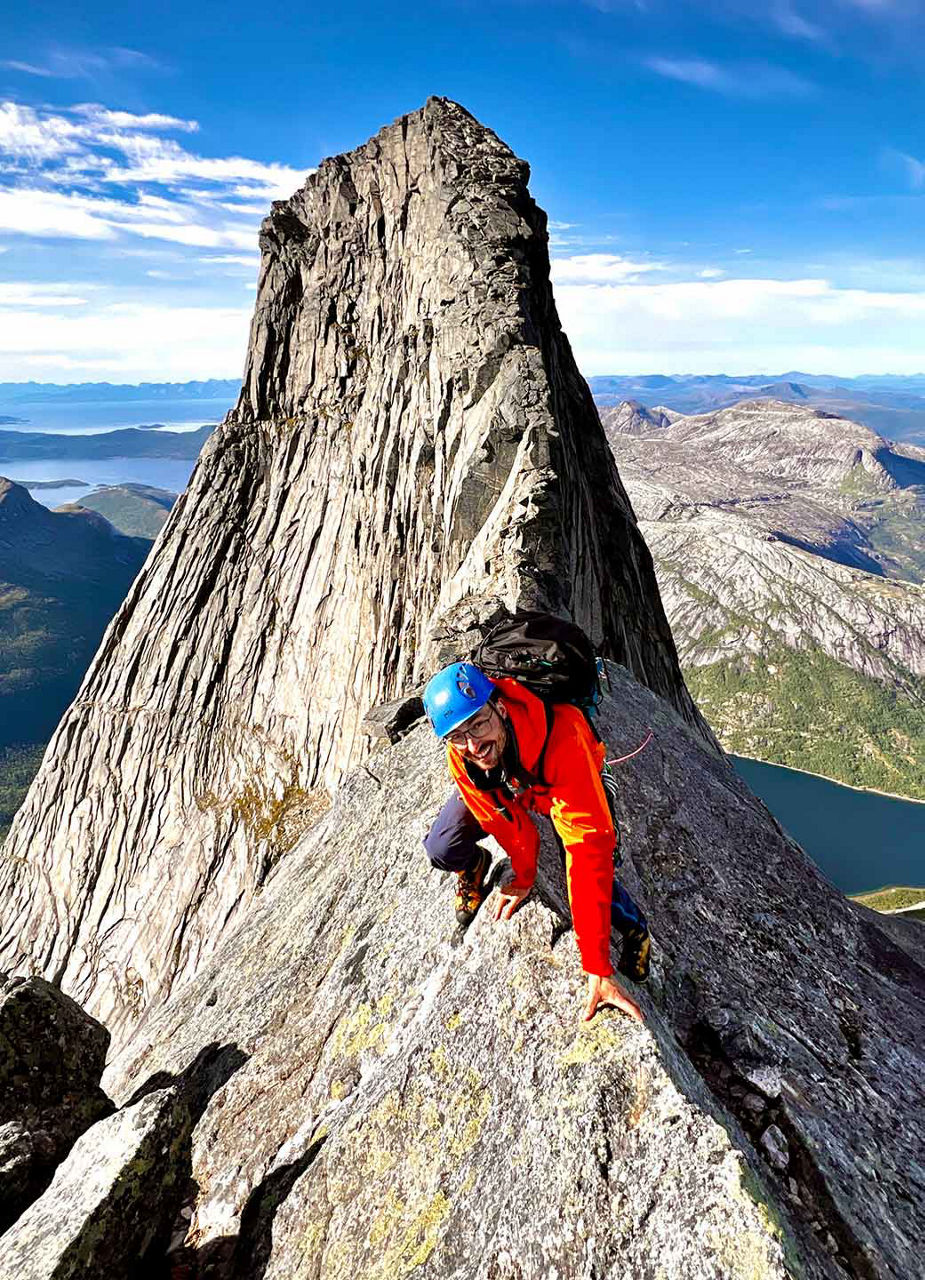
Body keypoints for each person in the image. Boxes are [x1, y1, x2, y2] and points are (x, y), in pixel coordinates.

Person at [422, 661, 649, 1023]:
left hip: (561, 775)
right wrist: (524, 877)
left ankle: (635, 928)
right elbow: (501, 821)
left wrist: (596, 966)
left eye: (479, 724)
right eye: (458, 735)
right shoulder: (462, 752)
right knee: (441, 846)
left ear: (499, 705)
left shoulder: (563, 737)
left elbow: (587, 850)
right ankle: (474, 865)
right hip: (516, 782)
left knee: (589, 862)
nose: (473, 744)